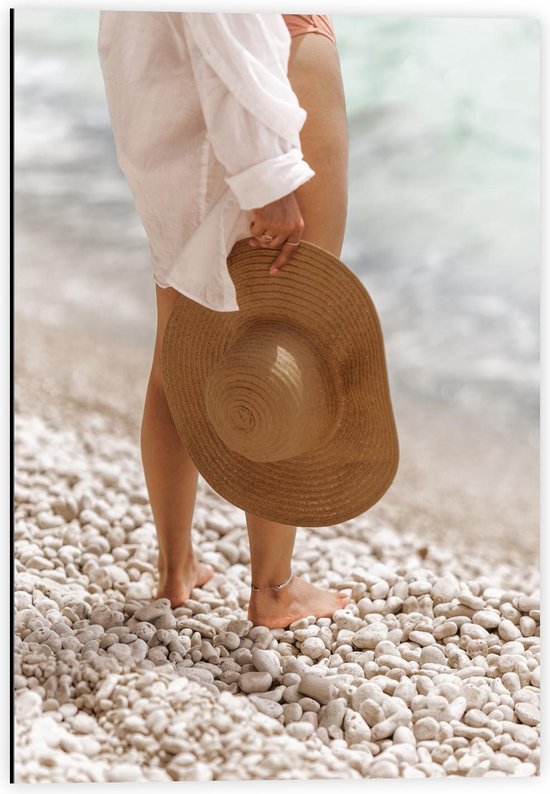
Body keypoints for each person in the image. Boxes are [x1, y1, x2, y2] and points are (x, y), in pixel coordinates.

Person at [98, 12, 350, 628]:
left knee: (175, 354)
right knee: (289, 349)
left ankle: (175, 568)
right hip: (262, 79)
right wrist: (266, 175)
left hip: (167, 104)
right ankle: (275, 591)